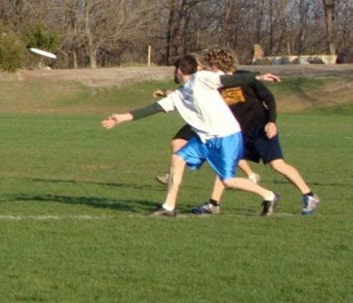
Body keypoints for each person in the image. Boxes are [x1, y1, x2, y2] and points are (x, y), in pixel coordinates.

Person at [101, 53, 281, 217]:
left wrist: (258, 76)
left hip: (226, 136)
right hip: (204, 139)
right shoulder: (178, 95)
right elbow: (153, 108)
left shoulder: (201, 78)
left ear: (179, 70)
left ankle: (269, 195)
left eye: (175, 69)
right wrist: (121, 117)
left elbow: (228, 79)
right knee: (178, 158)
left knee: (228, 181)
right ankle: (168, 207)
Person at [189, 48, 320, 216]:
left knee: (277, 164)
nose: (207, 68)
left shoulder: (245, 77)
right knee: (225, 165)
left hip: (260, 128)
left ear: (217, 64)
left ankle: (309, 195)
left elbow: (269, 98)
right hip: (236, 133)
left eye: (210, 64)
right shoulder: (214, 83)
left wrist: (271, 122)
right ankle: (213, 204)